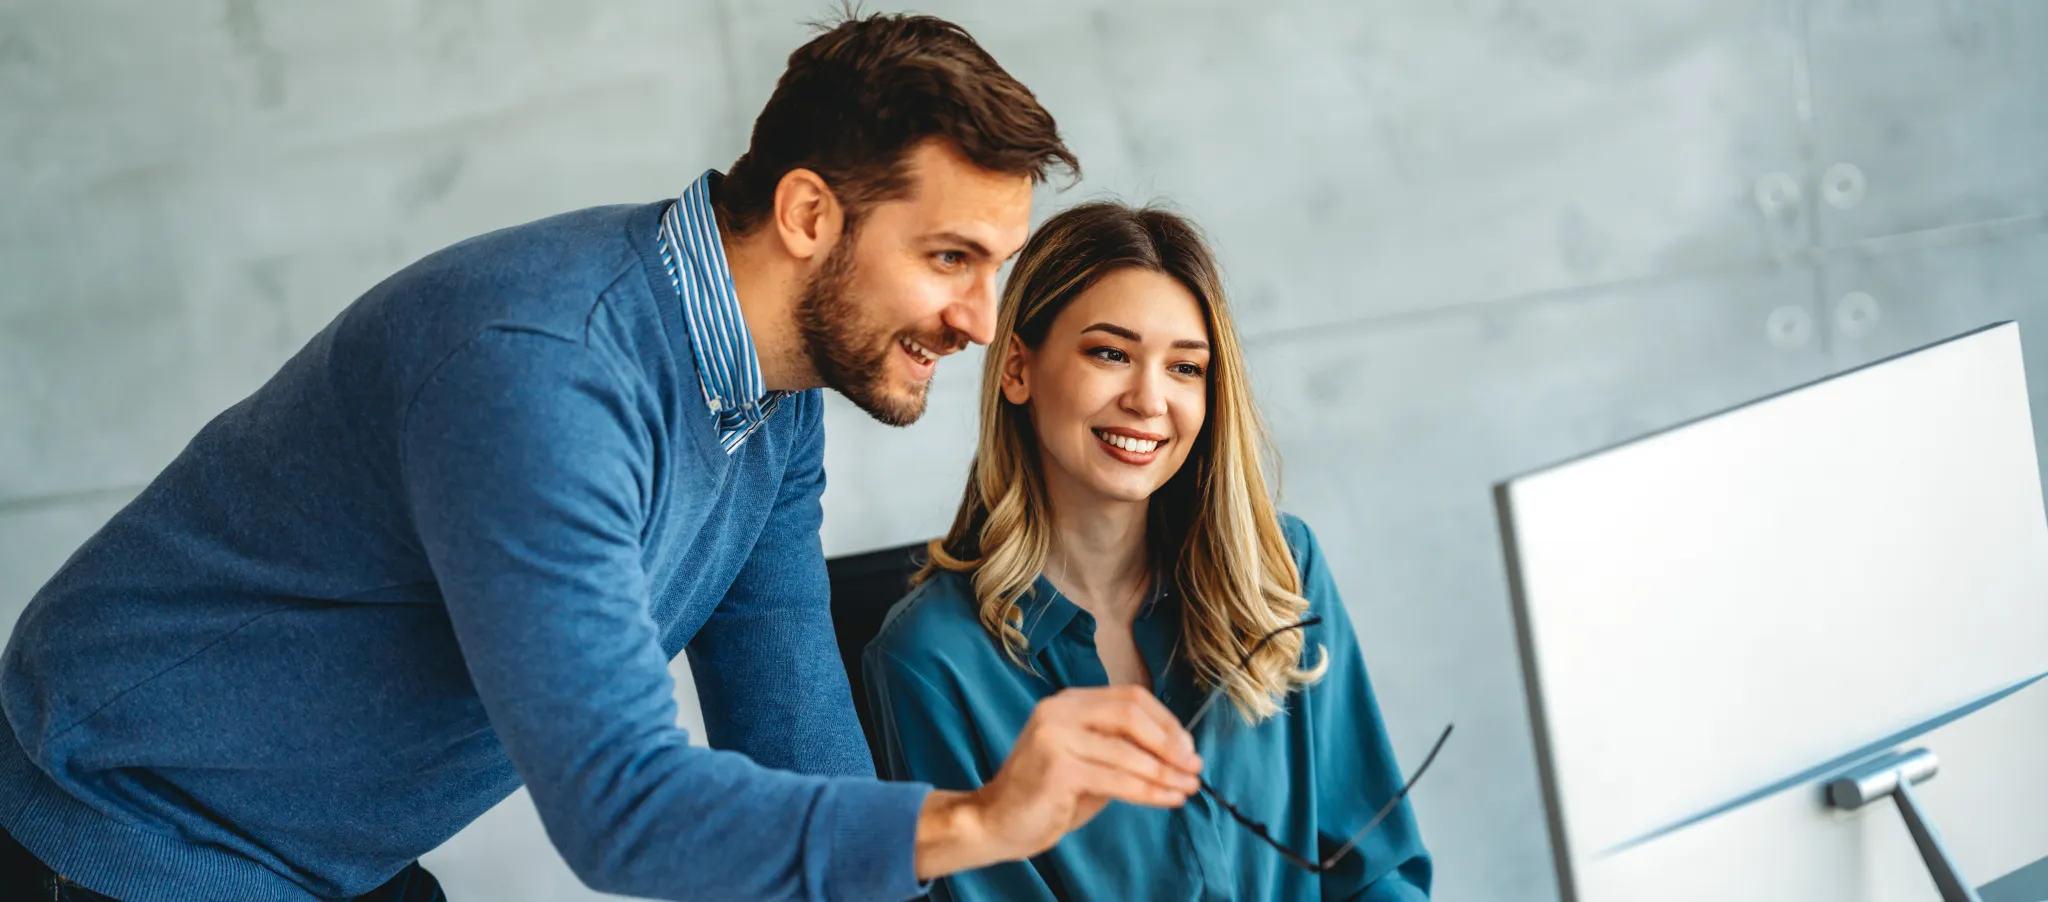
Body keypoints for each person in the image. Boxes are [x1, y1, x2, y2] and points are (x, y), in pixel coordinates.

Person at [0, 15, 1207, 902]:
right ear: (806, 216)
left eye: (995, 268)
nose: (982, 319)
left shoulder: (769, 404)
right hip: (123, 834)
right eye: (950, 258)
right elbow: (619, 806)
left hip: (312, 854)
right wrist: (983, 818)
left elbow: (788, 727)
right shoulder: (542, 377)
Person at [863, 202, 1433, 900]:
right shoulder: (931, 658)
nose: (1149, 398)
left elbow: (1375, 871)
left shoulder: (1282, 569)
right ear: (1017, 368)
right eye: (1110, 353)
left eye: (1186, 368)